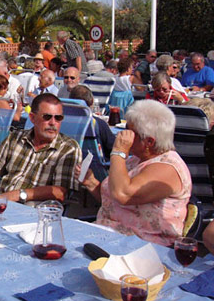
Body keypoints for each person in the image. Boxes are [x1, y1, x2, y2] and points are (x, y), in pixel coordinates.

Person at [78, 100, 191, 246]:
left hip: (143, 246)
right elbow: (114, 203)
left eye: (130, 132)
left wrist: (118, 152)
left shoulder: (167, 168)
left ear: (149, 142)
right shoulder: (137, 160)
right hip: (110, 235)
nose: (123, 134)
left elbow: (123, 195)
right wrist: (91, 182)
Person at [0, 93, 82, 203]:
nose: (53, 123)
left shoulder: (68, 149)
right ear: (32, 118)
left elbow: (60, 192)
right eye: (47, 117)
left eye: (58, 118)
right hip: (1, 204)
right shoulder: (16, 138)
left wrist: (18, 195)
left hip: (35, 213)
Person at [69, 85, 115, 159]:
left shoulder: (62, 122)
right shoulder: (97, 124)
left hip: (70, 164)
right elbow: (113, 148)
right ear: (92, 102)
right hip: (95, 167)